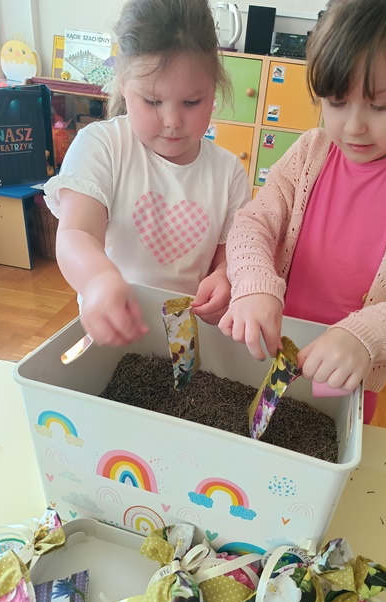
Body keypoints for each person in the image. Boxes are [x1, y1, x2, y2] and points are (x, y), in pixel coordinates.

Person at [219, 0, 386, 424]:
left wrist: (363, 335)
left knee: (320, 441)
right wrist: (254, 283)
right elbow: (253, 223)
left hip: (347, 373)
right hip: (267, 349)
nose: (352, 127)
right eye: (335, 101)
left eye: (379, 105)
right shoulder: (309, 153)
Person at [44, 0, 250, 347]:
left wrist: (224, 277)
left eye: (192, 102)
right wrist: (97, 281)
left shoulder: (228, 173)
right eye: (153, 102)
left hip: (187, 339)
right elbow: (76, 233)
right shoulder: (102, 146)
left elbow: (229, 255)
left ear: (214, 88)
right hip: (111, 332)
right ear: (123, 83)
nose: (172, 121)